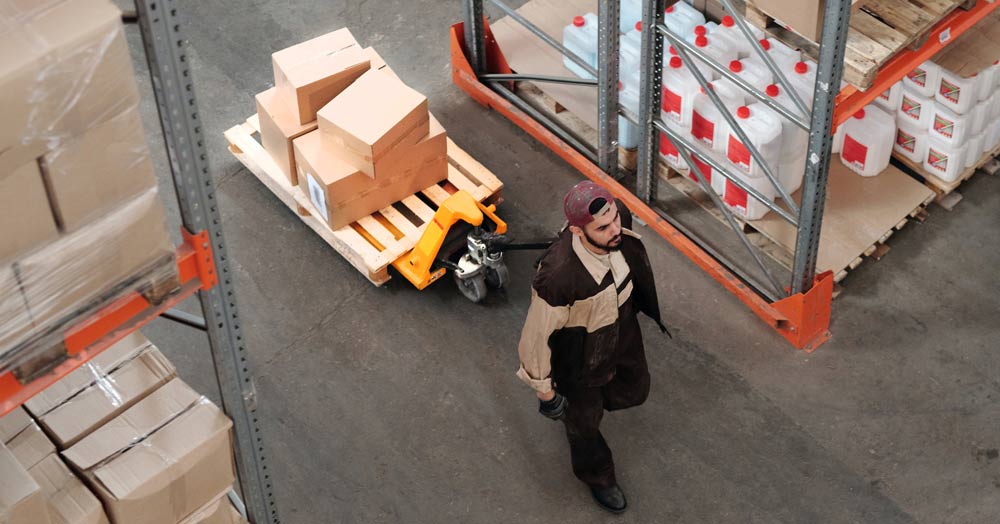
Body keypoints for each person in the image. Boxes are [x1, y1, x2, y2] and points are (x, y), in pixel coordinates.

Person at [516, 180, 670, 513]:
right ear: (576, 230)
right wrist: (546, 392)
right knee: (584, 425)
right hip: (578, 355)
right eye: (603, 227)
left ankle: (589, 409)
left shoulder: (619, 223)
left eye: (615, 217)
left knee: (636, 390)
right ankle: (598, 475)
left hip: (623, 330)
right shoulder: (558, 278)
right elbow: (535, 337)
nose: (616, 229)